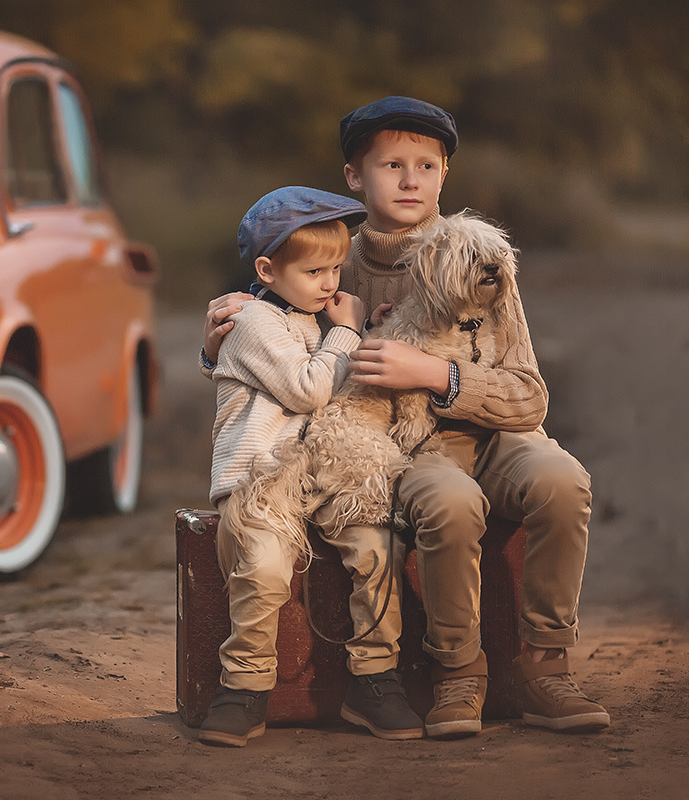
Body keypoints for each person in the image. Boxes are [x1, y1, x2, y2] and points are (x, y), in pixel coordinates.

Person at [200, 97, 610, 739]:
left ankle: (545, 668)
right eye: (392, 164)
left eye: (427, 165)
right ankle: (458, 674)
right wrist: (214, 346)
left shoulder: (481, 257)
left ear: (445, 175)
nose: (411, 179)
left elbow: (530, 395)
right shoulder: (334, 260)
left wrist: (436, 375)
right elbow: (277, 353)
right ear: (355, 177)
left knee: (564, 481)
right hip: (407, 448)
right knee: (450, 502)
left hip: (499, 433)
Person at [202, 186, 424, 747]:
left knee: (377, 548)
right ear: (267, 270)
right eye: (315, 271)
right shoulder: (253, 320)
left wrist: (363, 332)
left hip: (319, 473)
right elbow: (308, 389)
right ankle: (245, 689)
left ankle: (374, 679)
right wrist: (347, 332)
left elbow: (336, 386)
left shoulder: (304, 319)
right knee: (264, 567)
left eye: (336, 268)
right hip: (259, 480)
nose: (331, 283)